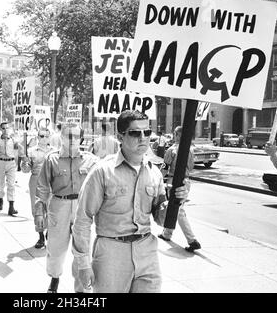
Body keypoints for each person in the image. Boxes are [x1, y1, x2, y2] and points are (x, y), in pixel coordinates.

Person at [71, 110, 190, 293]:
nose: (143, 138)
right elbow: (82, 219)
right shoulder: (102, 172)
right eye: (135, 133)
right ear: (120, 136)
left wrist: (176, 200)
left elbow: (160, 219)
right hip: (111, 254)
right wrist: (83, 263)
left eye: (147, 132)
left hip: (147, 254)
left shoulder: (154, 173)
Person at [34, 123, 100, 293]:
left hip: (82, 207)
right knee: (55, 249)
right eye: (68, 136)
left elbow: (102, 183)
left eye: (77, 136)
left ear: (81, 138)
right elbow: (42, 186)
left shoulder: (91, 160)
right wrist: (40, 211)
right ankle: (55, 278)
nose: (73, 140)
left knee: (82, 248)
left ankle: (80, 287)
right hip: (59, 206)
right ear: (61, 137)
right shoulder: (52, 159)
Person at [157, 126, 201, 253]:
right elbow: (191, 167)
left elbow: (165, 168)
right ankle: (167, 233)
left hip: (174, 181)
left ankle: (192, 240)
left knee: (179, 211)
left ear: (176, 135)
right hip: (187, 181)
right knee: (175, 208)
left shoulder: (172, 150)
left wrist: (159, 179)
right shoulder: (190, 150)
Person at [21, 128, 51, 249]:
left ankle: (49, 231)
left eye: (46, 136)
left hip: (50, 183)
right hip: (36, 181)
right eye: (42, 136)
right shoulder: (31, 151)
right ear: (38, 137)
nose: (44, 138)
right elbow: (26, 170)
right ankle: (40, 236)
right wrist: (24, 162)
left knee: (51, 209)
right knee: (37, 210)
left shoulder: (54, 151)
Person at [0, 121, 21, 216]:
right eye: (3, 128)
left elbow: (20, 147)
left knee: (11, 184)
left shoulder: (13, 139)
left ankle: (11, 206)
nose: (5, 130)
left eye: (7, 128)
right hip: (0, 162)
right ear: (0, 129)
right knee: (0, 184)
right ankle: (1, 200)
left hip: (11, 163)